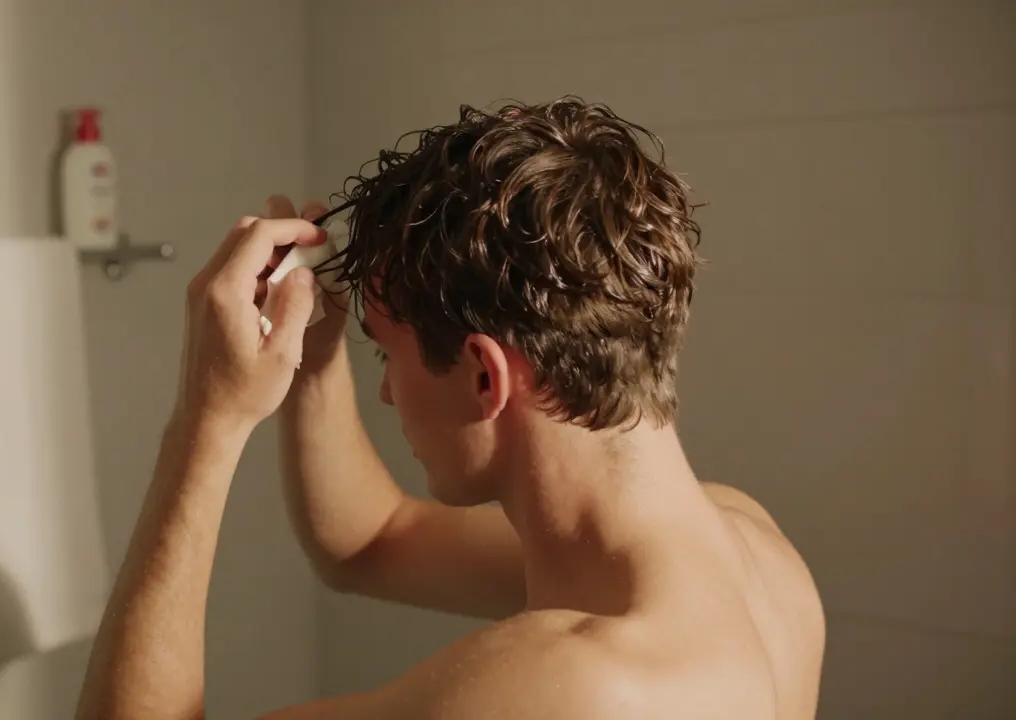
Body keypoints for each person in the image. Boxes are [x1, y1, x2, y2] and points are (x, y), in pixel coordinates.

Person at [75, 98, 826, 720]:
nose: (388, 393)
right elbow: (367, 542)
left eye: (386, 355)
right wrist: (315, 354)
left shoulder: (566, 688)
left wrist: (206, 421)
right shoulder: (749, 550)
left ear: (482, 378)